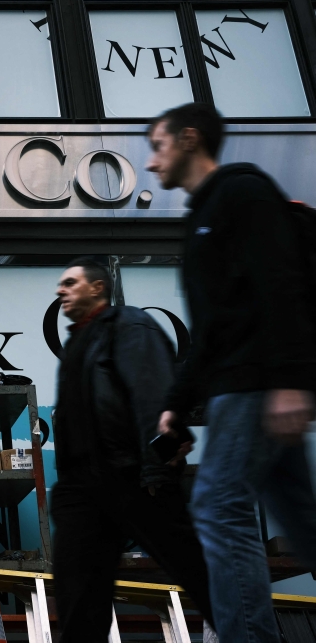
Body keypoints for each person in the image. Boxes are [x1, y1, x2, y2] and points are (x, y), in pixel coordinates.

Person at [148, 102, 316, 643]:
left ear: (190, 139)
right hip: (239, 387)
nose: (152, 163)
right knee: (303, 526)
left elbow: (282, 286)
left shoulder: (244, 194)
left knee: (220, 509)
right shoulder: (201, 217)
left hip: (256, 386)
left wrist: (291, 379)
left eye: (159, 146)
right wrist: (177, 402)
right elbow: (213, 327)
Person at [51, 258, 214, 642]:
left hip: (133, 475)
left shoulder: (129, 325)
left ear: (97, 288)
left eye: (70, 282)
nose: (61, 290)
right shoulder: (78, 343)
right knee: (78, 597)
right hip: (83, 491)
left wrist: (157, 464)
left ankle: (248, 634)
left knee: (197, 572)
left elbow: (151, 392)